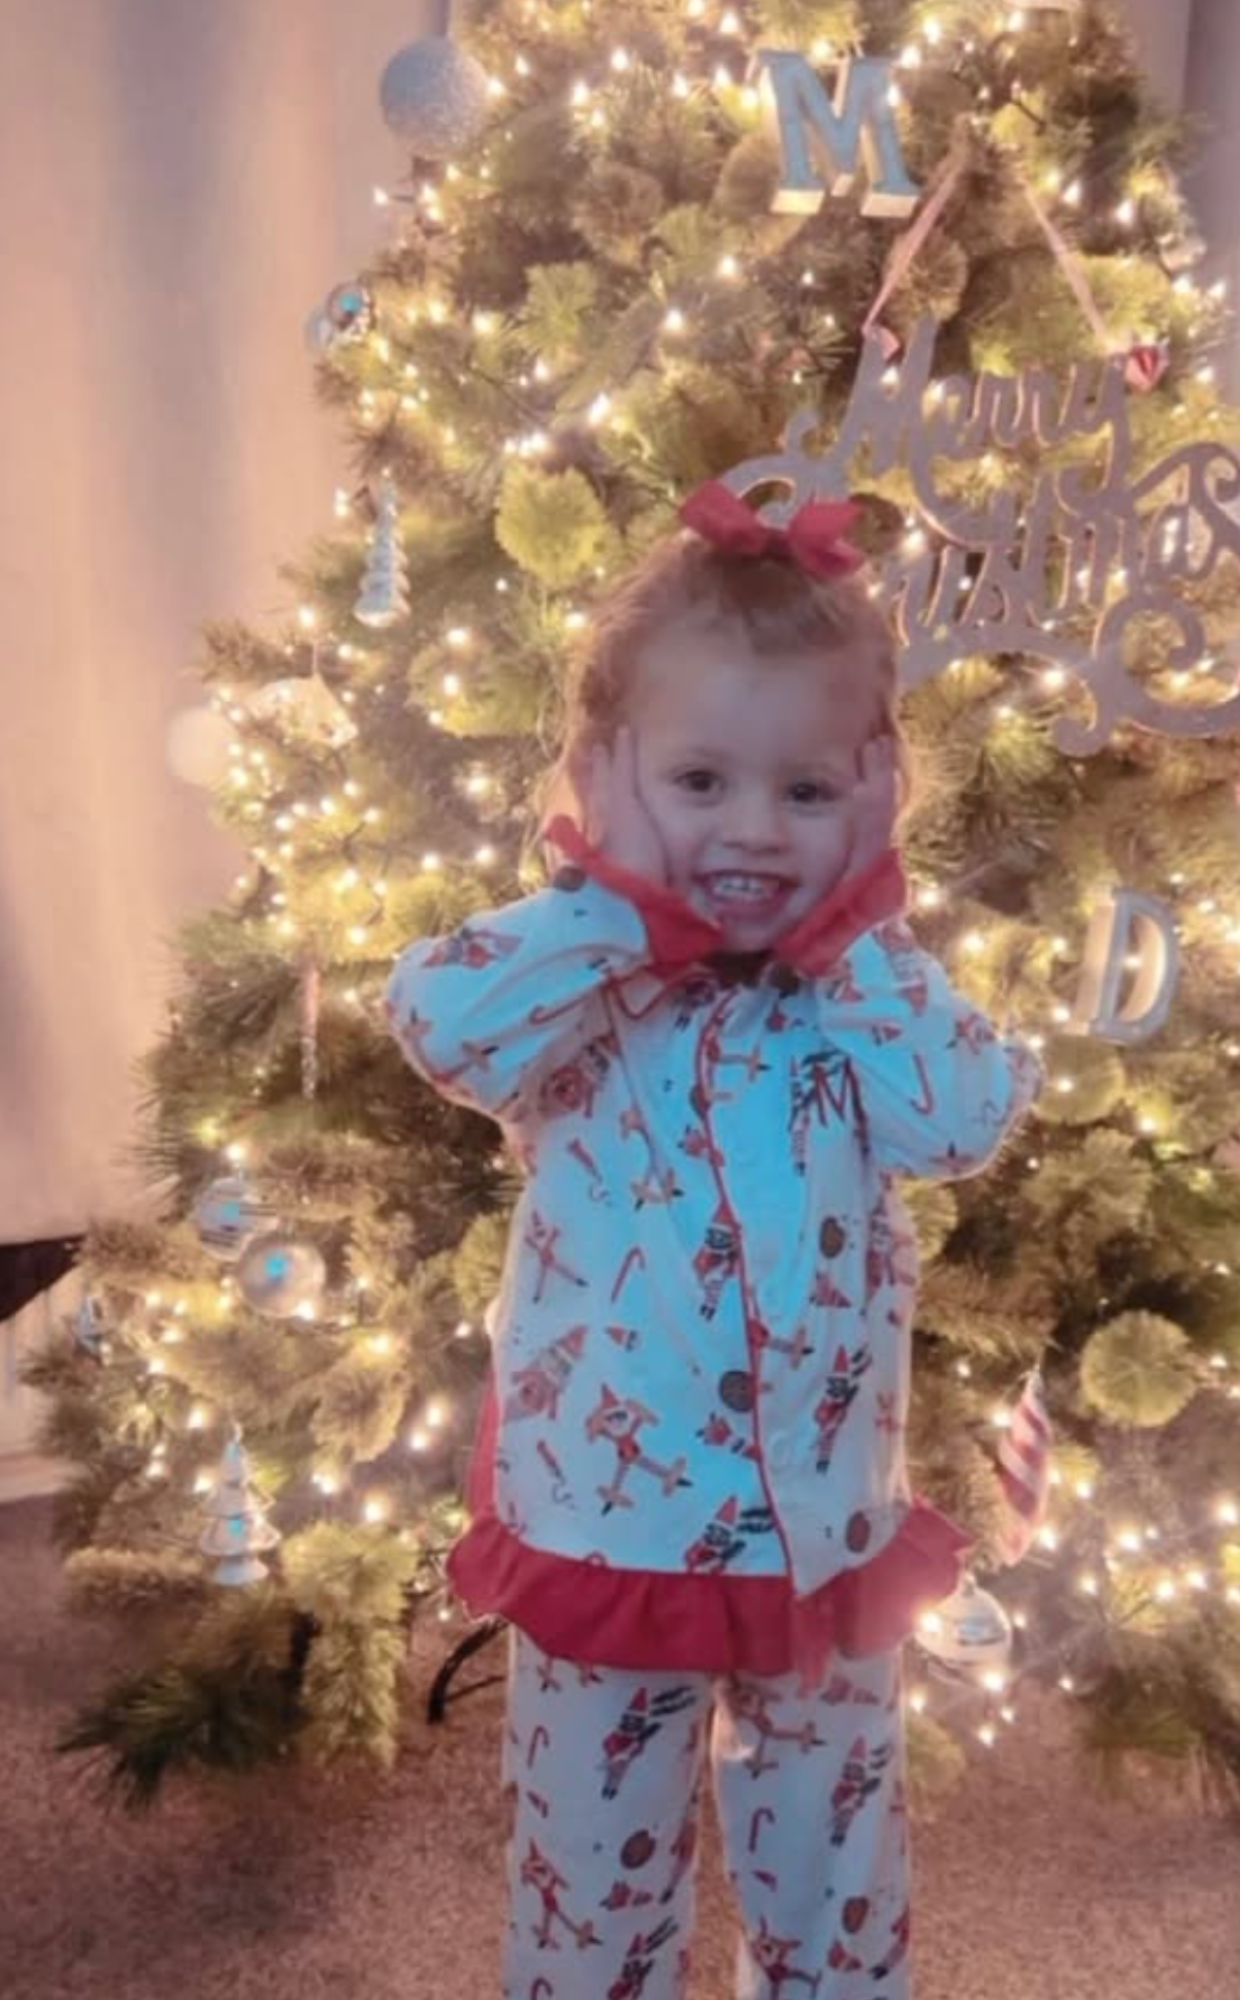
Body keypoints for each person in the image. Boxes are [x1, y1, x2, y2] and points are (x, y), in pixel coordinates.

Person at [386, 480, 1042, 2000]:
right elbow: (437, 1020)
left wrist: (859, 926)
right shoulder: (567, 975)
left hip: (824, 1532)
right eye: (697, 781)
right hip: (606, 1537)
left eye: (807, 794)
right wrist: (621, 904)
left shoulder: (859, 994)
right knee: (589, 1876)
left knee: (832, 1862)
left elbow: (964, 1115)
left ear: (875, 799)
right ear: (604, 777)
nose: (752, 830)